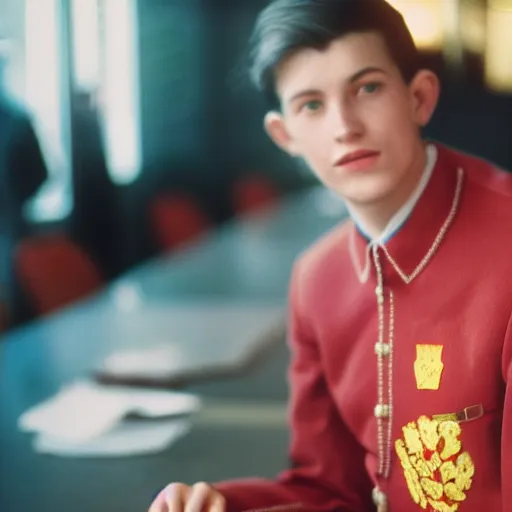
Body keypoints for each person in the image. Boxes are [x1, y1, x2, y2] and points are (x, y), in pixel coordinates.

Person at [149, 0, 512, 510]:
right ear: (285, 135)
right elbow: (331, 489)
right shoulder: (317, 279)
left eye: (367, 89)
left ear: (420, 98)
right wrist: (221, 504)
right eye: (311, 105)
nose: (345, 126)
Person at [0, 38, 48, 325]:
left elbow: (40, 174)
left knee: (11, 305)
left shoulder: (18, 120)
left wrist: (13, 199)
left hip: (10, 229)